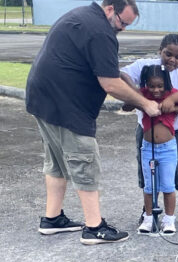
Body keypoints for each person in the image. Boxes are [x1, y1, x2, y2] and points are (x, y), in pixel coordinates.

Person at [26, 0, 161, 245]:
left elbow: (110, 70)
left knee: (56, 162)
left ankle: (52, 219)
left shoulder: (81, 16)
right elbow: (109, 83)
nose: (123, 29)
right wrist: (145, 104)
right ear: (110, 9)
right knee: (84, 161)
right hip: (67, 106)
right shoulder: (100, 31)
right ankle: (94, 227)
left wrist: (136, 94)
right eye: (123, 23)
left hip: (42, 99)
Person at [120, 34, 178, 229]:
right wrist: (137, 96)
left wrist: (173, 101)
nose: (172, 60)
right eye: (168, 54)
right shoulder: (146, 65)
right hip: (147, 132)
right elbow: (122, 74)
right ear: (160, 50)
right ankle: (149, 211)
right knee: (148, 173)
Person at [136, 65, 178, 235]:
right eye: (151, 86)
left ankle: (168, 220)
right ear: (146, 84)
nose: (156, 90)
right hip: (148, 148)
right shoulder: (144, 94)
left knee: (168, 185)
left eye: (160, 86)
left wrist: (173, 106)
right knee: (149, 187)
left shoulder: (173, 94)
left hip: (168, 148)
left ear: (166, 83)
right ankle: (148, 218)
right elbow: (127, 106)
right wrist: (142, 104)